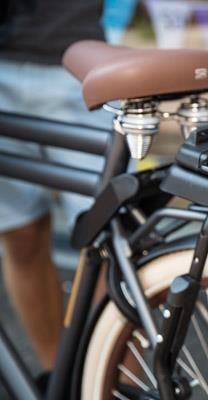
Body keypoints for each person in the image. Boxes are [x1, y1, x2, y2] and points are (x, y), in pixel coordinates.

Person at [0, 0, 109, 370]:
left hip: (76, 57)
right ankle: (56, 376)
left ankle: (108, 383)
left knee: (107, 244)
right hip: (5, 59)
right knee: (20, 235)